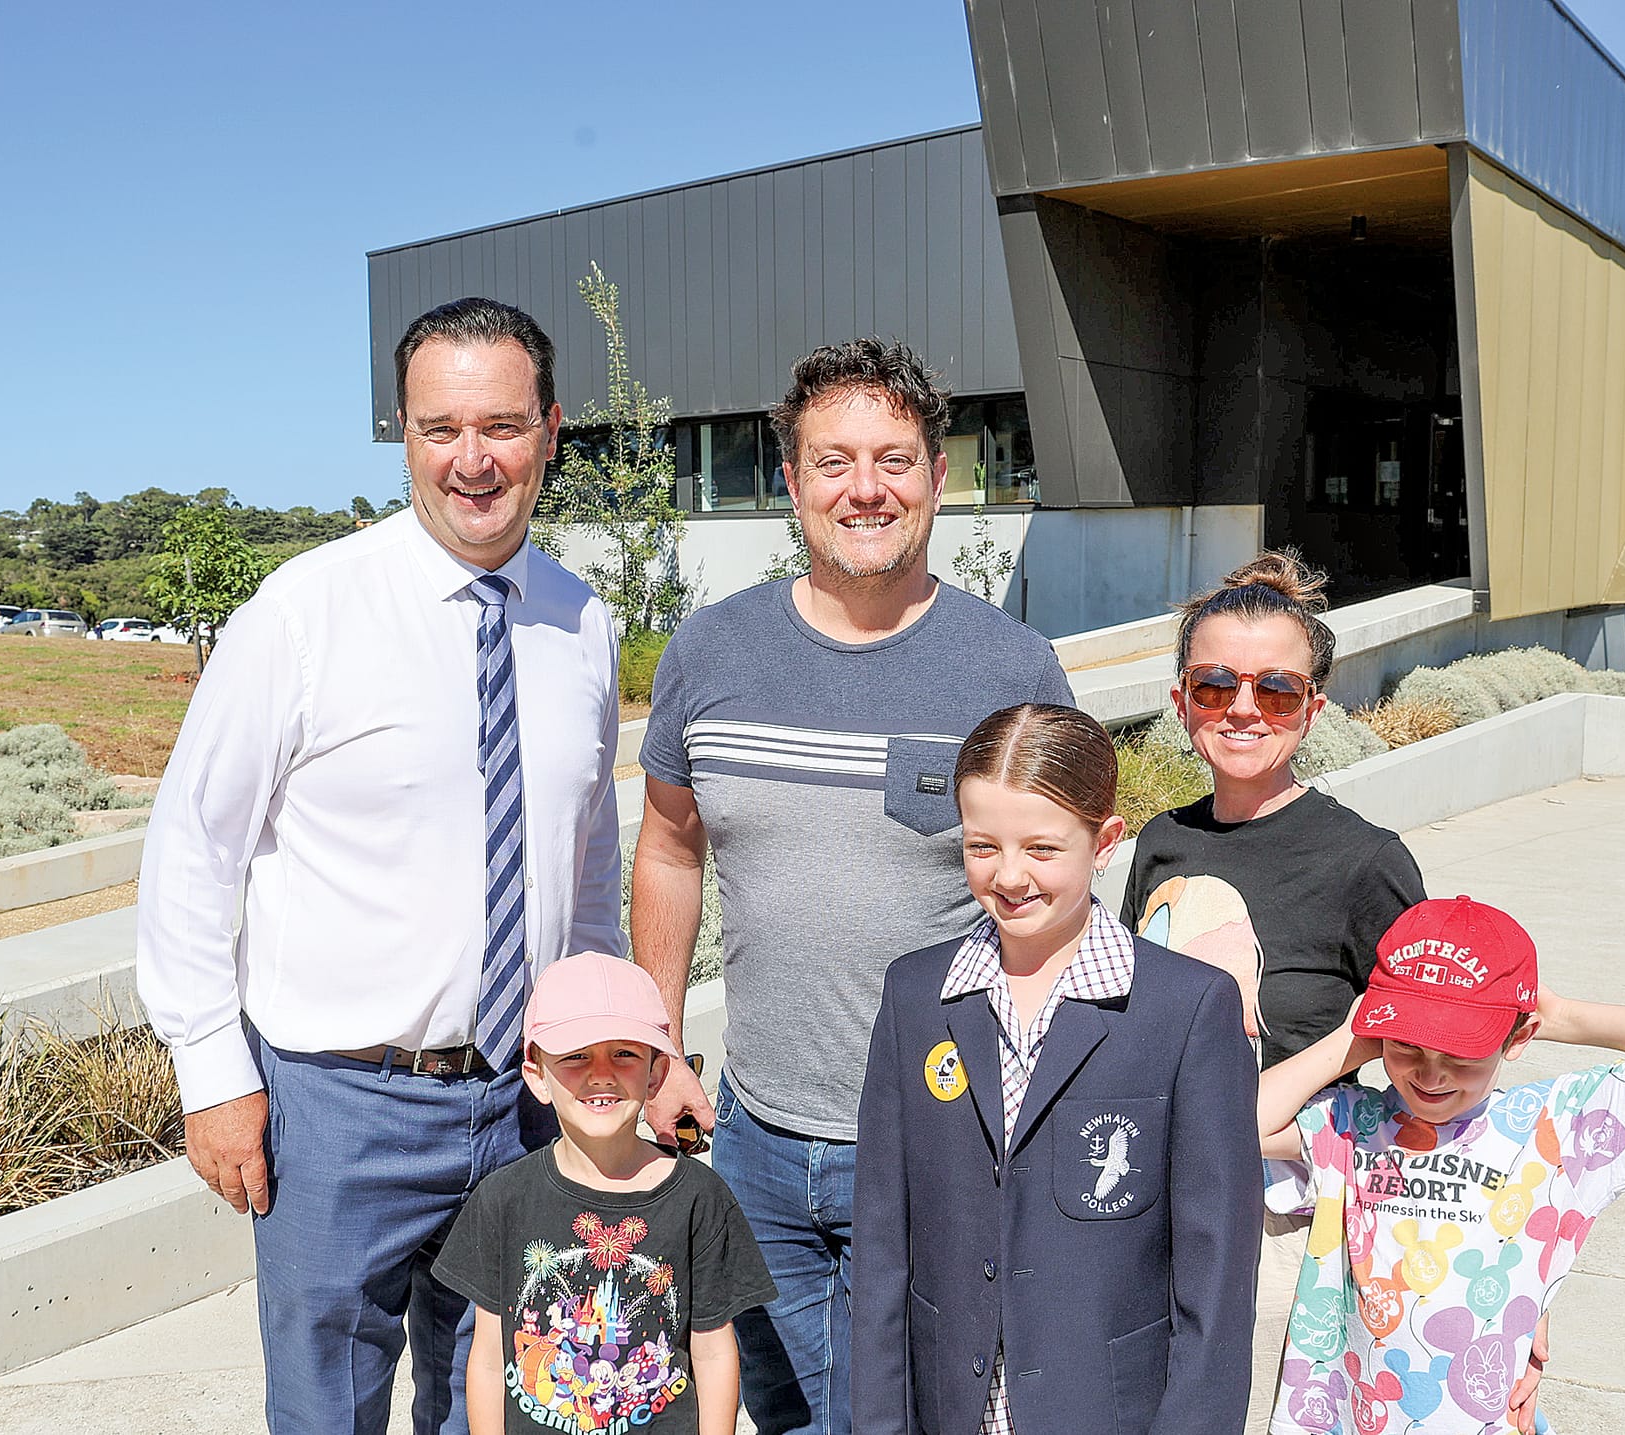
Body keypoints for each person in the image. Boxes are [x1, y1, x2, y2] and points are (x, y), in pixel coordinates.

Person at [135, 297, 625, 1434]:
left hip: (526, 1103)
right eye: (439, 428)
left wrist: (601, 1046)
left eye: (501, 426)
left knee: (508, 1409)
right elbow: (193, 847)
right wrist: (212, 1073)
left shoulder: (583, 624)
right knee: (328, 1415)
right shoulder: (303, 613)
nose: (471, 459)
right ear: (402, 432)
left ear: (551, 429)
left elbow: (587, 861)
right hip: (338, 1111)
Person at [632, 339, 1073, 1434]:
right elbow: (670, 848)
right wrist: (657, 1049)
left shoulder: (1011, 669)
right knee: (782, 1411)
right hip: (753, 1141)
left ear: (936, 476)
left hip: (941, 1142)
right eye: (833, 461)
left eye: (894, 459)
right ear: (792, 481)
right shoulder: (709, 652)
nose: (864, 488)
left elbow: (1061, 889)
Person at [853, 703, 1263, 1434]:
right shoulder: (915, 996)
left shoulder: (1186, 1007)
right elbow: (884, 1243)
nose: (1010, 876)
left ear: (1104, 841)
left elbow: (1218, 1271)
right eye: (983, 846)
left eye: (1042, 848)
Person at [1115, 550, 1433, 1420]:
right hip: (1150, 1207)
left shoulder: (1366, 861)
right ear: (1181, 700)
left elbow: (1437, 1056)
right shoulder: (1161, 842)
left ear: (1314, 707)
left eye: (1277, 690)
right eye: (1215, 684)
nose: (1244, 708)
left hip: (1287, 1237)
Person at [1257, 896, 1625, 1435]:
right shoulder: (1351, 1123)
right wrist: (1353, 1039)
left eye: (1460, 1054)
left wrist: (1561, 1016)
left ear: (1518, 1037)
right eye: (1407, 1047)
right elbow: (1243, 1125)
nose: (1431, 1075)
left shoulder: (1553, 1126)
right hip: (1346, 1414)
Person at [433, 953, 776, 1435]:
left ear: (656, 1073)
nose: (601, 1074)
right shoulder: (502, 1200)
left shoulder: (701, 1199)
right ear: (537, 1075)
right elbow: (489, 1358)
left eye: (625, 1054)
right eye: (576, 1056)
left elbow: (715, 1352)